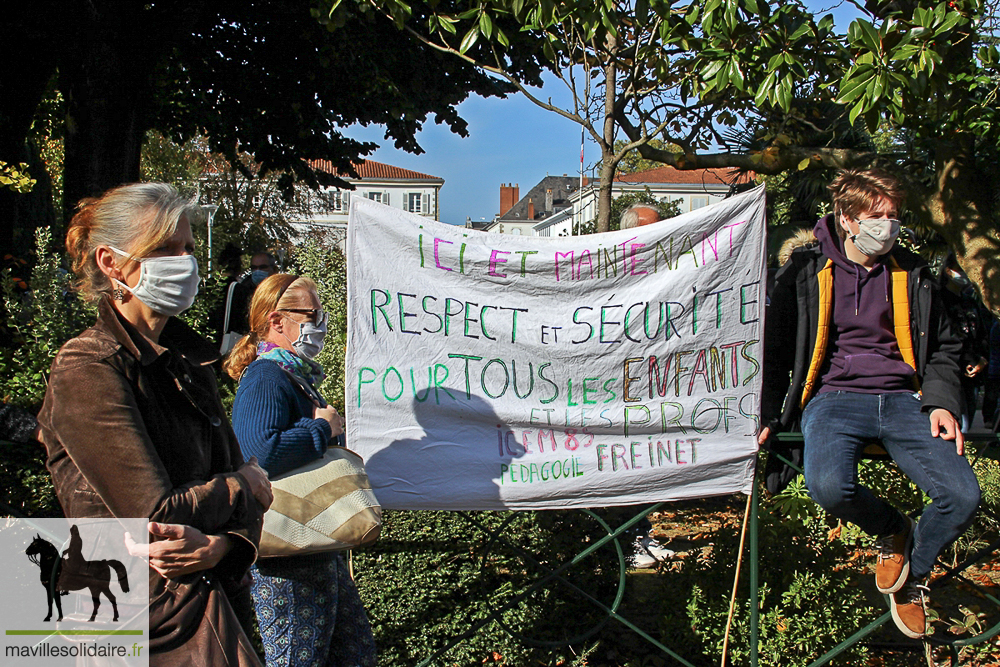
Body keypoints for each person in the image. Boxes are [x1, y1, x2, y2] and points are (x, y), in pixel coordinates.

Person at [37, 183, 272, 665]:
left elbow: (233, 500)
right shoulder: (88, 366)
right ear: (111, 262)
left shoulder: (188, 361)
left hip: (208, 608)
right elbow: (155, 512)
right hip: (133, 623)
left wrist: (220, 545)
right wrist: (246, 485)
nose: (184, 262)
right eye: (163, 249)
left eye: (187, 247)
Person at [759, 168, 980, 639]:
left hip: (906, 400)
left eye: (894, 215)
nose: (888, 225)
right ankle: (892, 528)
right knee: (828, 486)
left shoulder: (915, 273)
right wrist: (764, 416)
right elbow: (774, 352)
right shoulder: (803, 271)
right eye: (876, 216)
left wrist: (941, 401)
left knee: (962, 496)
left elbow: (945, 347)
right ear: (847, 218)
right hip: (833, 399)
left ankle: (911, 577)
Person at [225, 274, 377, 667]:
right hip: (286, 558)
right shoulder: (265, 376)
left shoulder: (292, 376)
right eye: (311, 314)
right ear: (277, 321)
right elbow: (258, 450)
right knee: (297, 658)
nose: (320, 323)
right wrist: (323, 427)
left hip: (314, 546)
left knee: (353, 654)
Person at [220, 251, 279, 353]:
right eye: (254, 268)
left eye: (262, 267)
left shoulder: (282, 291)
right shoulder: (243, 291)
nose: (257, 271)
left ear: (274, 269)